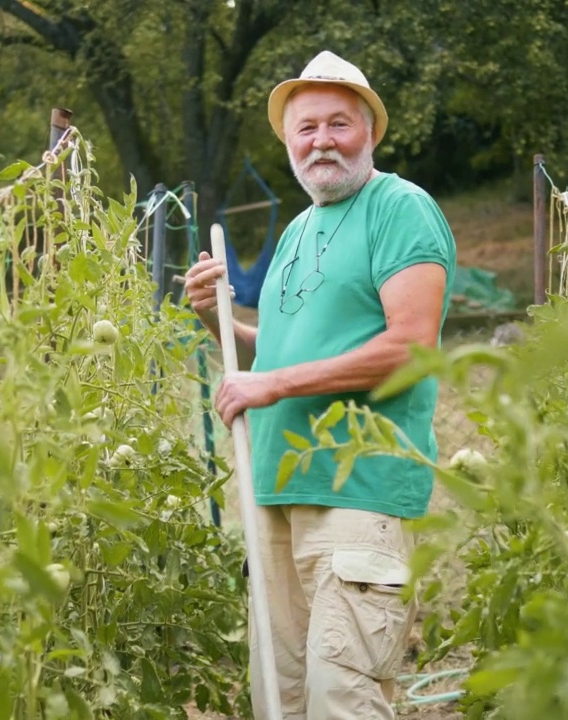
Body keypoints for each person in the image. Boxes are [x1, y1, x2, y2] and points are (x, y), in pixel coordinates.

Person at [182, 51, 457, 720]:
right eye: (307, 128)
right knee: (286, 701)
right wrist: (217, 323)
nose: (322, 140)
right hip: (276, 488)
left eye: (340, 123)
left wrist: (272, 383)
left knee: (345, 700)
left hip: (354, 491)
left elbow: (410, 345)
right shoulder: (301, 230)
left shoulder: (399, 209)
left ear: (371, 132)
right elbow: (274, 356)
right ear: (287, 140)